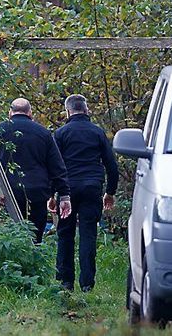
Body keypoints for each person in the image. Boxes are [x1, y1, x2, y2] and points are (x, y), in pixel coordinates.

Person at [52, 94, 118, 292]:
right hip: (91, 187)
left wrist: (52, 194)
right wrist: (110, 192)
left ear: (68, 111)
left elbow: (54, 166)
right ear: (86, 110)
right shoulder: (97, 133)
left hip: (67, 190)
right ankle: (87, 283)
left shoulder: (61, 134)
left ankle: (65, 281)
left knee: (65, 233)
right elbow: (111, 165)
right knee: (88, 234)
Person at [0, 98, 72, 243]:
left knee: (10, 237)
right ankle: (34, 262)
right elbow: (57, 166)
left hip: (8, 192)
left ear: (10, 112)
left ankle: (13, 264)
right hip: (37, 192)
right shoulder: (43, 133)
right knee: (35, 237)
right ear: (30, 113)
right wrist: (64, 195)